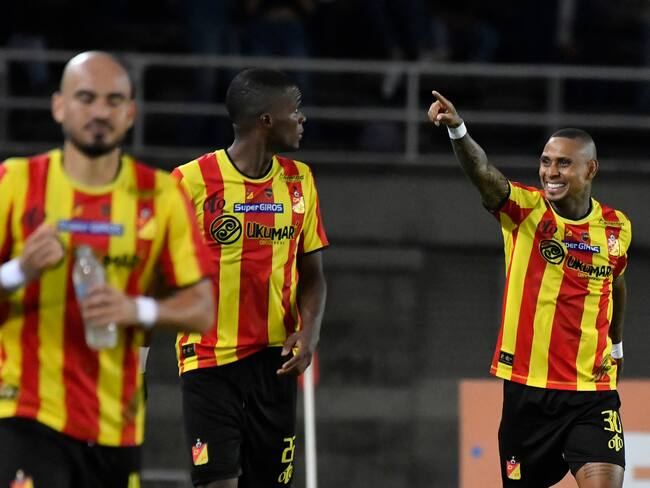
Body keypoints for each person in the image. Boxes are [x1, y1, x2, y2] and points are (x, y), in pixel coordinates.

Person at [0, 51, 215, 488]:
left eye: (114, 100)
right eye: (86, 97)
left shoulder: (160, 196)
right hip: (26, 412)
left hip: (117, 423)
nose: (100, 111)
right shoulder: (16, 183)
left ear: (131, 113)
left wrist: (137, 310)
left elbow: (202, 309)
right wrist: (18, 271)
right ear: (59, 105)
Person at [428, 91, 629, 488]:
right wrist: (458, 131)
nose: (551, 172)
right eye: (546, 162)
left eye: (563, 164)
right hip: (526, 392)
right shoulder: (523, 210)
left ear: (590, 169)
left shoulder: (615, 227)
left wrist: (616, 345)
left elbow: (617, 282)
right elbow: (483, 172)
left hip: (592, 391)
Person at [172, 68, 328, 488]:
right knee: (217, 481)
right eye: (294, 110)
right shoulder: (190, 182)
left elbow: (312, 275)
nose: (302, 119)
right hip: (209, 362)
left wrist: (309, 332)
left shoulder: (301, 182)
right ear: (265, 120)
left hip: (275, 364)